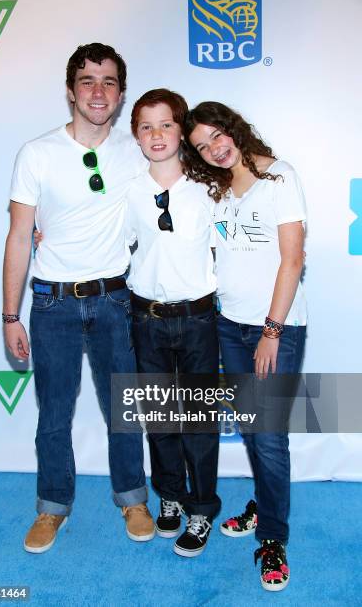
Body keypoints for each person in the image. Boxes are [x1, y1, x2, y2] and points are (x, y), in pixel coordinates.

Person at [3, 43, 154, 554]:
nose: (98, 90)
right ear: (70, 90)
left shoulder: (138, 150)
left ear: (120, 94)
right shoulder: (37, 152)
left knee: (125, 410)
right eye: (87, 80)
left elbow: (194, 174)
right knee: (54, 414)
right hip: (52, 305)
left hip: (115, 299)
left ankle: (133, 498)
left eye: (109, 82)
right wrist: (9, 314)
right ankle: (52, 507)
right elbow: (20, 236)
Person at [183, 102, 306, 589]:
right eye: (202, 145)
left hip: (273, 329)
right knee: (255, 433)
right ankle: (263, 505)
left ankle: (273, 538)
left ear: (232, 128)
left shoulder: (279, 178)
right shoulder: (217, 192)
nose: (214, 148)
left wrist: (271, 332)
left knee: (270, 437)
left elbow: (292, 261)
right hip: (227, 325)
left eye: (216, 135)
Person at [126, 89, 221, 557]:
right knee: (160, 420)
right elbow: (107, 241)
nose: (156, 135)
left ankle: (202, 507)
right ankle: (169, 496)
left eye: (166, 124)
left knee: (199, 421)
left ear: (181, 130)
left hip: (199, 318)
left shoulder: (209, 189)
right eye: (146, 126)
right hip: (146, 318)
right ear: (136, 136)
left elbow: (239, 242)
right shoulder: (129, 190)